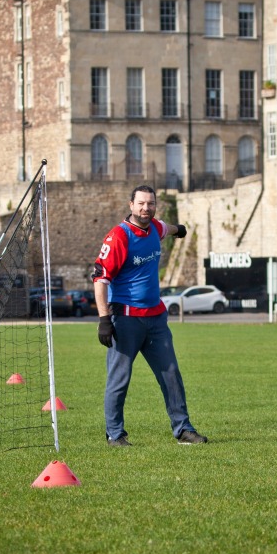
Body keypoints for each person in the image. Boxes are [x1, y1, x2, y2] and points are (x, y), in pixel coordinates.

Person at [93, 185, 207, 447]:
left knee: (171, 374)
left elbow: (169, 228)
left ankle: (183, 429)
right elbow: (100, 280)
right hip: (126, 321)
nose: (146, 208)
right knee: (119, 379)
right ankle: (115, 434)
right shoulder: (118, 237)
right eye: (141, 204)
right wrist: (103, 320)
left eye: (151, 204)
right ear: (131, 205)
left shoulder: (155, 227)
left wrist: (180, 230)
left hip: (156, 320)